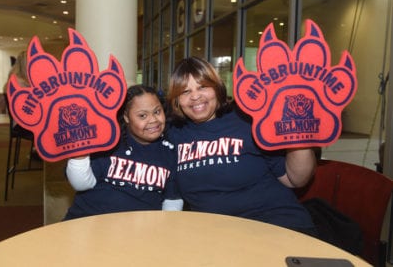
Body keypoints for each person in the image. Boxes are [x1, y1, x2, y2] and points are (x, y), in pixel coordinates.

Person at [166, 56, 317, 235]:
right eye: (185, 91)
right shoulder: (174, 134)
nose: (195, 96)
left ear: (217, 88)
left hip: (276, 223)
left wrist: (298, 134)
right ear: (177, 100)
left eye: (203, 86)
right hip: (217, 234)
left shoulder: (247, 121)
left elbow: (296, 180)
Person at [64, 84, 183, 220]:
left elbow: (172, 199)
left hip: (138, 234)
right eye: (142, 116)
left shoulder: (170, 151)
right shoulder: (108, 143)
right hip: (88, 223)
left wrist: (166, 227)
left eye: (157, 112)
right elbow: (81, 184)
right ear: (126, 117)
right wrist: (79, 155)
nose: (153, 120)